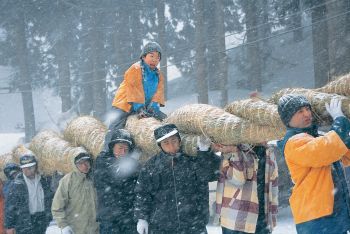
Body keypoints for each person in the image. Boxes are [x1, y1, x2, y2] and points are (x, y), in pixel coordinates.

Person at [277, 95, 350, 234]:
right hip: (316, 217)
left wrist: (345, 129)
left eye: (307, 109)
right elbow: (325, 150)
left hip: (334, 213)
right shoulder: (293, 143)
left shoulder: (318, 138)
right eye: (299, 111)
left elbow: (345, 152)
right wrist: (340, 121)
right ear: (288, 119)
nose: (306, 114)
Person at [134, 123, 221, 234]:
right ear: (160, 145)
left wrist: (204, 152)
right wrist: (142, 218)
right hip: (162, 226)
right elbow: (142, 193)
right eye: (166, 143)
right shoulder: (152, 165)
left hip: (194, 224)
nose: (171, 146)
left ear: (179, 141)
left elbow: (209, 175)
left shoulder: (193, 159)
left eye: (174, 141)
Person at [104, 41, 166, 150]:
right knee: (116, 128)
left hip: (144, 106)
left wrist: (154, 108)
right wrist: (140, 108)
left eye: (157, 58)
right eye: (151, 56)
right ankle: (106, 152)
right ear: (143, 56)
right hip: (125, 104)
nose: (154, 60)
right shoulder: (136, 69)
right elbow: (134, 89)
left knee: (165, 120)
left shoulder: (158, 75)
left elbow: (158, 94)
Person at [214, 143, 278, 234]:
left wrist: (272, 216)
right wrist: (235, 152)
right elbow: (237, 180)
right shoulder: (232, 148)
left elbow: (273, 185)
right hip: (235, 218)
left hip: (261, 219)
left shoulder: (269, 152)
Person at [94, 129, 140, 234]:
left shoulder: (131, 166)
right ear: (112, 148)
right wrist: (134, 162)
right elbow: (118, 174)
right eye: (120, 148)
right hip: (109, 219)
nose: (123, 153)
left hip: (129, 218)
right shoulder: (102, 160)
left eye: (126, 149)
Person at [5, 154, 53, 234]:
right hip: (25, 222)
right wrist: (10, 226)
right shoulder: (17, 185)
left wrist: (49, 216)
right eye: (24, 168)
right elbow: (10, 206)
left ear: (35, 167)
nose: (27, 170)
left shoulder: (43, 181)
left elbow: (49, 199)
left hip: (42, 219)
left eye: (30, 167)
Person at [51, 152, 98, 234]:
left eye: (86, 162)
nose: (84, 166)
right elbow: (57, 207)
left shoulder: (95, 179)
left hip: (95, 230)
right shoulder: (68, 180)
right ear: (75, 165)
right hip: (75, 230)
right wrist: (64, 226)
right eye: (80, 163)